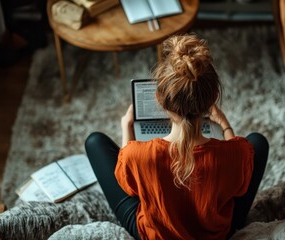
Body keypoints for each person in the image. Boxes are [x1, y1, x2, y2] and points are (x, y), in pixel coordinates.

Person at [85, 34, 269, 240]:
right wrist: (225, 125)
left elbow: (128, 186)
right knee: (257, 143)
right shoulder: (237, 153)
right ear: (214, 98)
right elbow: (240, 184)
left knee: (95, 142)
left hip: (155, 235)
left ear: (160, 101)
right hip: (217, 235)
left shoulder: (135, 154)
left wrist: (126, 126)